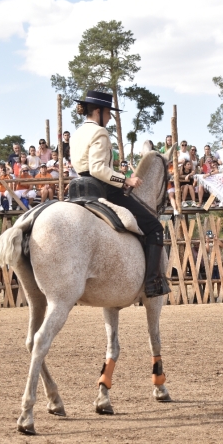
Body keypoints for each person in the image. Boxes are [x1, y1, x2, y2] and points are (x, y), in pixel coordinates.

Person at [70, 90, 170, 297]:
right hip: (102, 189)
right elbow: (98, 169)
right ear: (98, 111)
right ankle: (152, 283)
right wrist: (126, 180)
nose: (109, 118)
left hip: (79, 187)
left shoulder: (78, 132)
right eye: (108, 113)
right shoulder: (100, 132)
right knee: (155, 228)